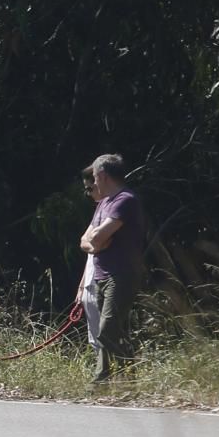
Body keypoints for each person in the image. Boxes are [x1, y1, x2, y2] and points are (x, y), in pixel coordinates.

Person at [79, 154, 145, 383]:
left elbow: (96, 238)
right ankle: (120, 382)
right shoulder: (103, 203)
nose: (93, 184)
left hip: (121, 274)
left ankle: (108, 380)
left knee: (107, 330)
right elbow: (86, 240)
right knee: (113, 331)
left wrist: (96, 241)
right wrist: (96, 242)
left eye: (95, 178)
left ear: (103, 176)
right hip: (100, 275)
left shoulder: (124, 200)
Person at [75, 166, 103, 353]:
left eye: (90, 188)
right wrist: (81, 286)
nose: (88, 194)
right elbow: (89, 248)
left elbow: (93, 244)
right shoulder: (100, 209)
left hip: (102, 282)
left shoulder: (115, 207)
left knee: (106, 337)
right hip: (89, 284)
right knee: (94, 339)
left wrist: (89, 242)